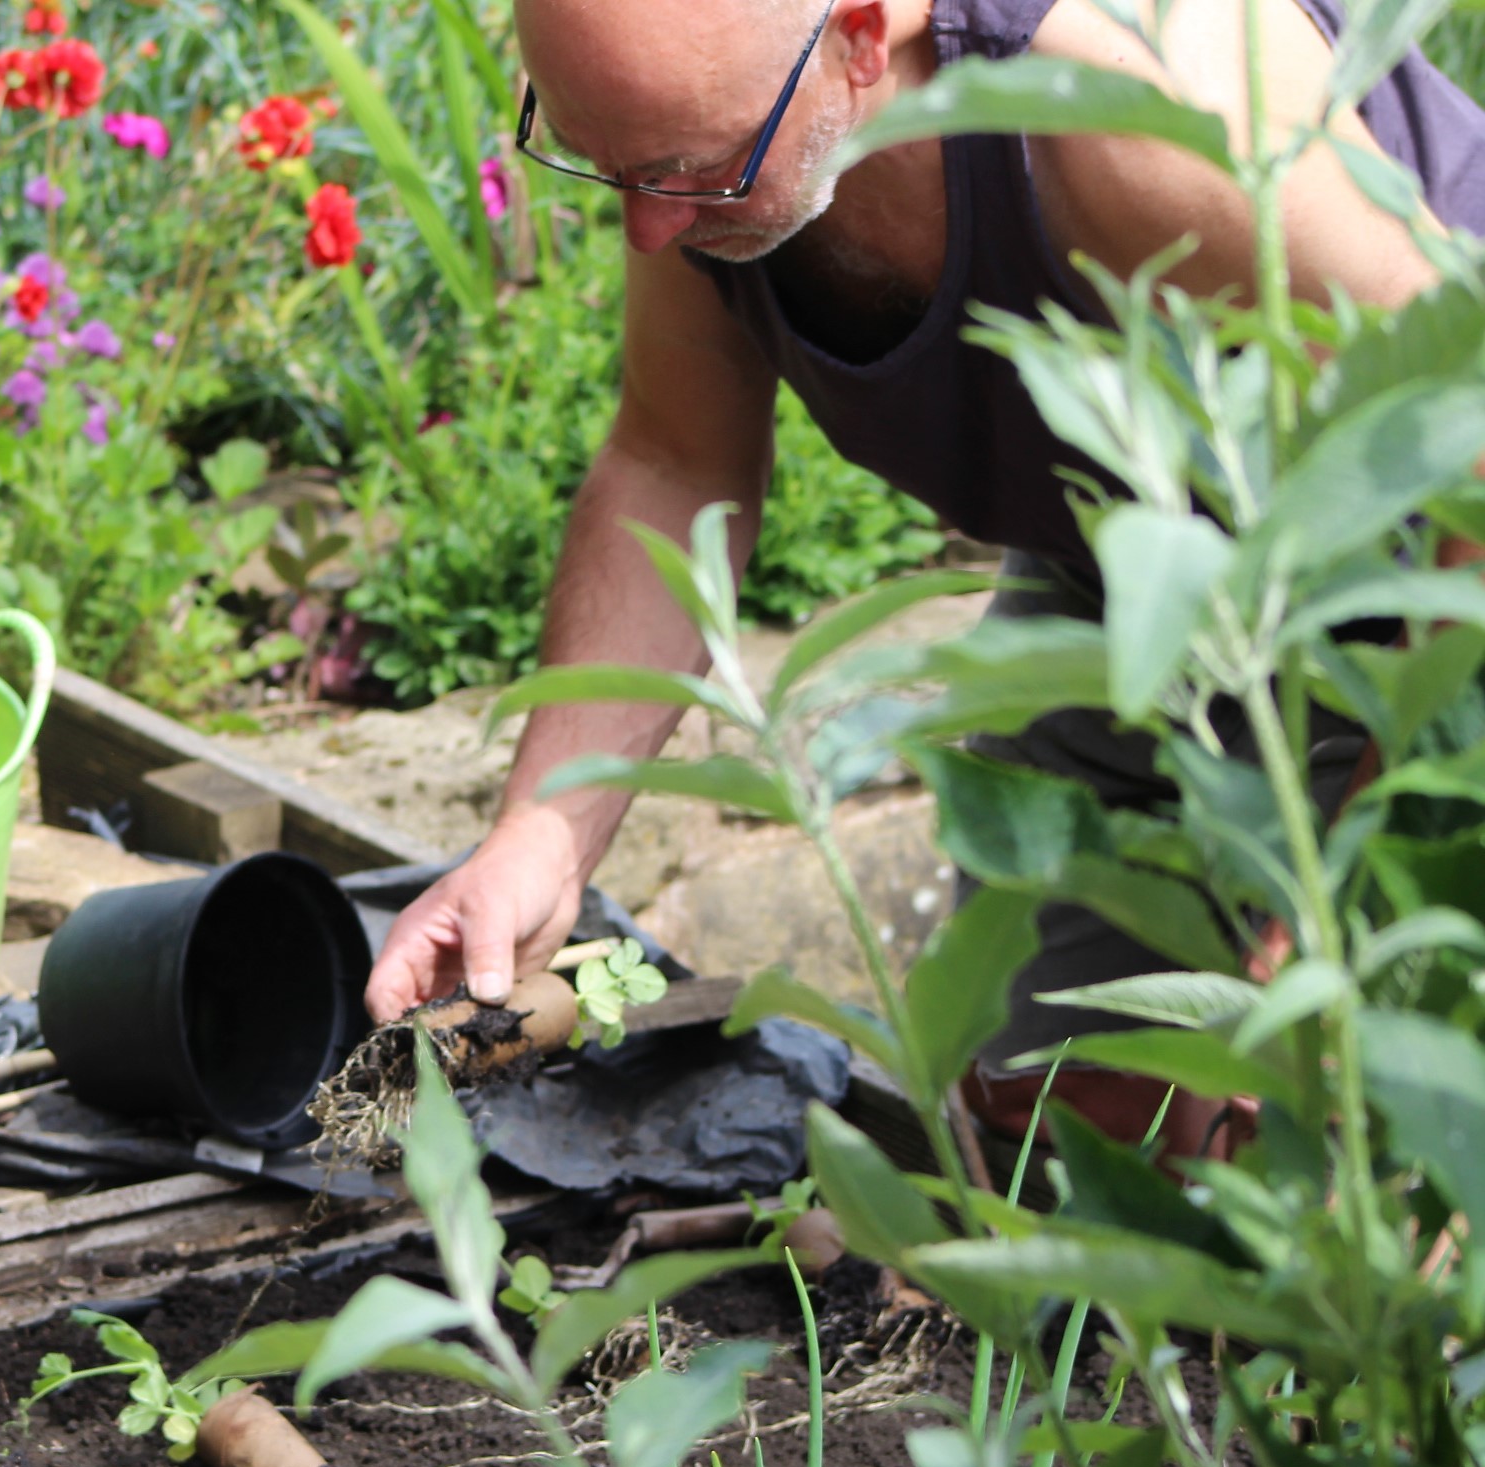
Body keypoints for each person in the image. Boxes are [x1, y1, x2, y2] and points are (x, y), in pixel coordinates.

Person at [364, 0, 1485, 1161]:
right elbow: (675, 459)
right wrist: (541, 838)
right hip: (1135, 572)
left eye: (689, 169)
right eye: (607, 166)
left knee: (1361, 1152)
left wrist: (1351, 906)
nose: (650, 228)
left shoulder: (1137, 106)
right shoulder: (722, 128)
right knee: (1044, 1114)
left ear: (862, 33)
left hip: (1435, 580)